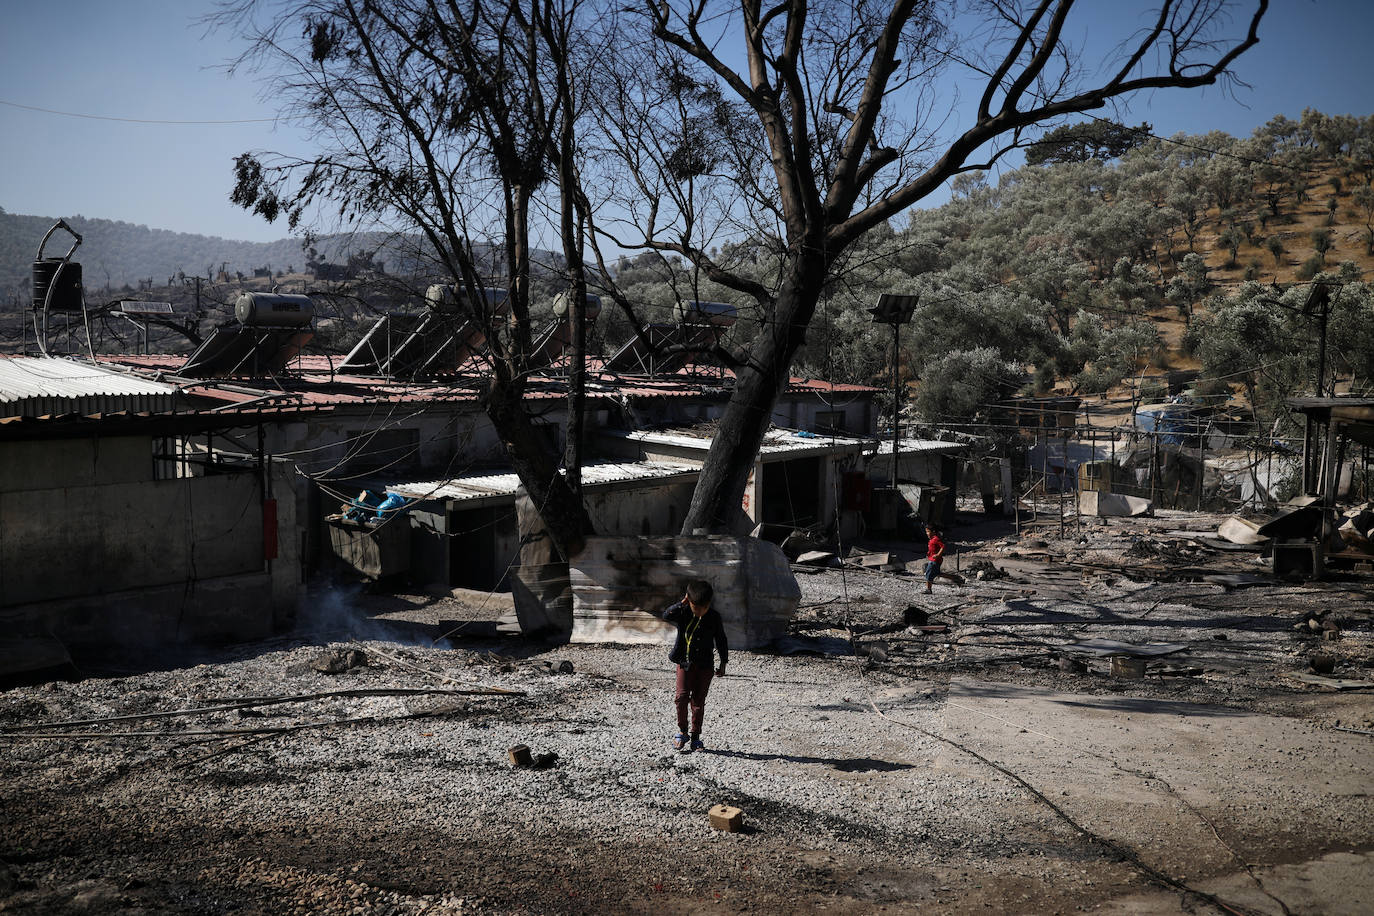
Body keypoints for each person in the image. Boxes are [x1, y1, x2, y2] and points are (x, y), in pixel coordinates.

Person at [658, 579, 728, 753]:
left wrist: (723, 662)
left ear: (709, 604)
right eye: (695, 607)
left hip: (705, 667)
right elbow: (666, 615)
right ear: (688, 601)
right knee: (681, 698)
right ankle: (682, 731)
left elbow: (721, 640)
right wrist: (681, 604)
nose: (699, 612)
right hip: (684, 663)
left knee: (698, 702)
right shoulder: (683, 612)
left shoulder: (713, 617)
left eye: (703, 608)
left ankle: (696, 737)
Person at [924, 522, 946, 594]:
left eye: (928, 531)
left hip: (935, 560)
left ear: (933, 532)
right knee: (935, 574)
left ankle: (928, 589)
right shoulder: (932, 539)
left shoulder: (936, 539)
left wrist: (938, 555)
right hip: (933, 559)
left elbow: (943, 547)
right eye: (926, 532)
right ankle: (956, 579)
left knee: (928, 574)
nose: (927, 533)